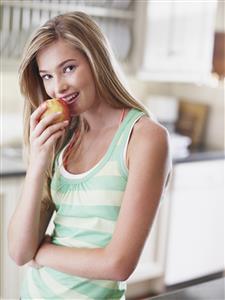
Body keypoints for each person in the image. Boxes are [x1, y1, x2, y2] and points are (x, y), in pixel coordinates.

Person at [8, 11, 172, 299]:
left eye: (68, 68)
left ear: (97, 60)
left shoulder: (144, 138)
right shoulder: (66, 136)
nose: (57, 87)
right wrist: (37, 166)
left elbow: (118, 264)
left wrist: (42, 253)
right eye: (47, 76)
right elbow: (20, 251)